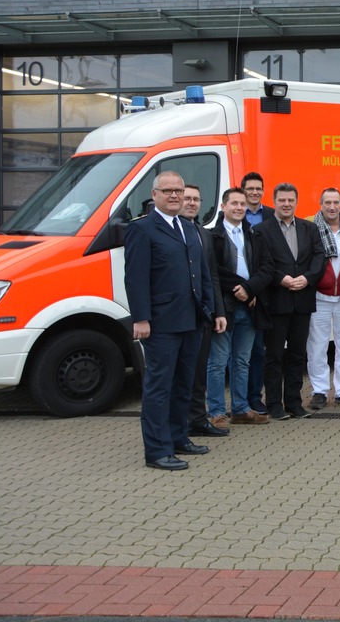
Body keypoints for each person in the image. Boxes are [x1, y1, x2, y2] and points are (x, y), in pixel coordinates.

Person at [124, 171, 217, 471]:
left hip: (191, 320)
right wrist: (141, 318)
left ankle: (179, 438)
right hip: (161, 323)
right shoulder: (143, 230)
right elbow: (135, 278)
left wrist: (209, 310)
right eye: (168, 191)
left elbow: (201, 274)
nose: (175, 196)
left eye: (178, 190)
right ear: (154, 195)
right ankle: (157, 450)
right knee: (159, 387)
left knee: (184, 385)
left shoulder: (189, 227)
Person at [253, 183, 325, 419]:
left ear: (296, 201)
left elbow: (319, 257)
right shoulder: (262, 230)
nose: (286, 204)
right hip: (276, 301)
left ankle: (294, 403)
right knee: (273, 356)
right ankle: (274, 405)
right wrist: (281, 279)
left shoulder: (309, 228)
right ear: (274, 201)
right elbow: (262, 263)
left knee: (297, 355)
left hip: (302, 300)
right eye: (282, 200)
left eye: (290, 200)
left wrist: (307, 278)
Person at [207, 187, 273, 427]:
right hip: (224, 308)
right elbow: (213, 271)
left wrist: (251, 289)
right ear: (223, 206)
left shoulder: (255, 235)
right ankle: (215, 412)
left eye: (242, 204)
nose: (238, 207)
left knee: (242, 361)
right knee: (218, 362)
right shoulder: (211, 237)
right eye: (233, 203)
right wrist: (242, 287)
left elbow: (267, 267)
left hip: (250, 307)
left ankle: (240, 409)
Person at [179, 185, 228, 439]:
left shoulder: (203, 233)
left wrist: (218, 311)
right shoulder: (172, 232)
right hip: (179, 316)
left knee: (199, 372)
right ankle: (181, 424)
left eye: (196, 199)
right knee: (182, 374)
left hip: (204, 315)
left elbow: (212, 277)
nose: (191, 203)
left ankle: (198, 419)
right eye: (187, 198)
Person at [306, 187, 340, 411]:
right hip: (320, 296)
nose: (331, 206)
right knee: (317, 346)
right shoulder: (311, 230)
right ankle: (319, 390)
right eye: (327, 202)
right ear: (320, 204)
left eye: (335, 202)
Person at [240, 171, 274, 417]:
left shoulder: (271, 215)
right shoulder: (232, 216)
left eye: (258, 188)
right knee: (236, 354)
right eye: (249, 188)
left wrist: (255, 288)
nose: (254, 192)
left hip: (264, 293)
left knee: (259, 350)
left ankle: (255, 397)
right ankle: (239, 402)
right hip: (237, 294)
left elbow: (270, 260)